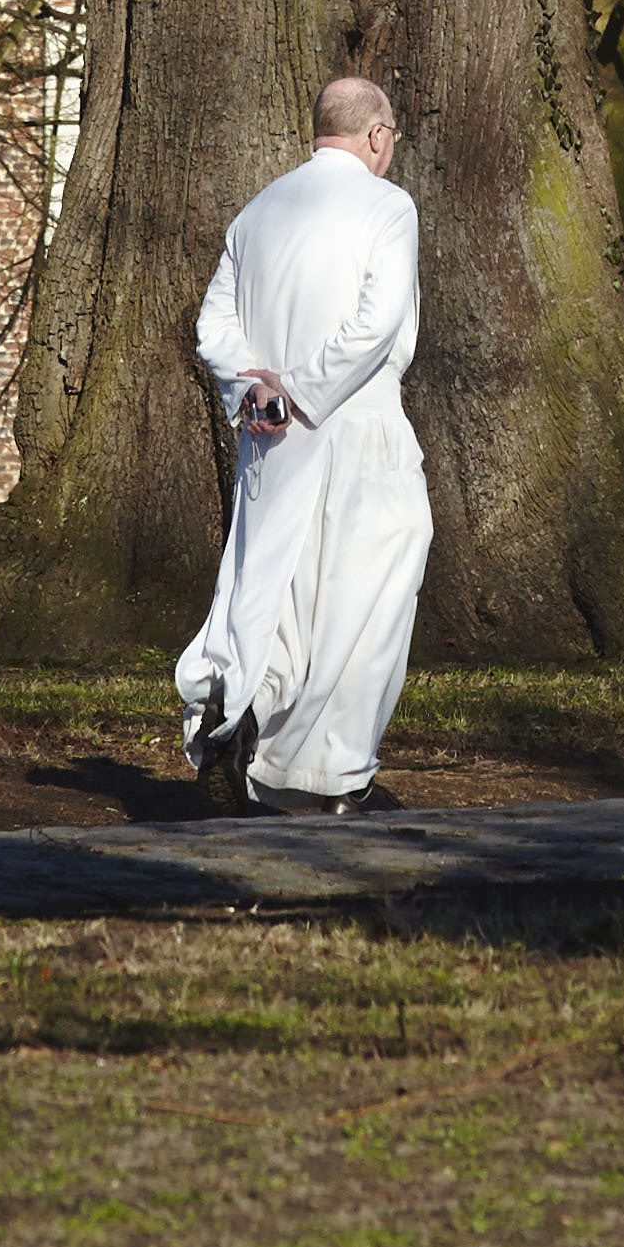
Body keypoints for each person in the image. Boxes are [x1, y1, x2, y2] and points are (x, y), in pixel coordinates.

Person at [172, 74, 431, 814]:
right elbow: (377, 321)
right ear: (376, 135)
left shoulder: (258, 212)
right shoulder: (387, 205)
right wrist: (302, 391)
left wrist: (256, 389)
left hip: (269, 438)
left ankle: (240, 719)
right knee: (367, 597)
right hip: (355, 425)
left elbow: (214, 325)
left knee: (274, 594)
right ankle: (335, 778)